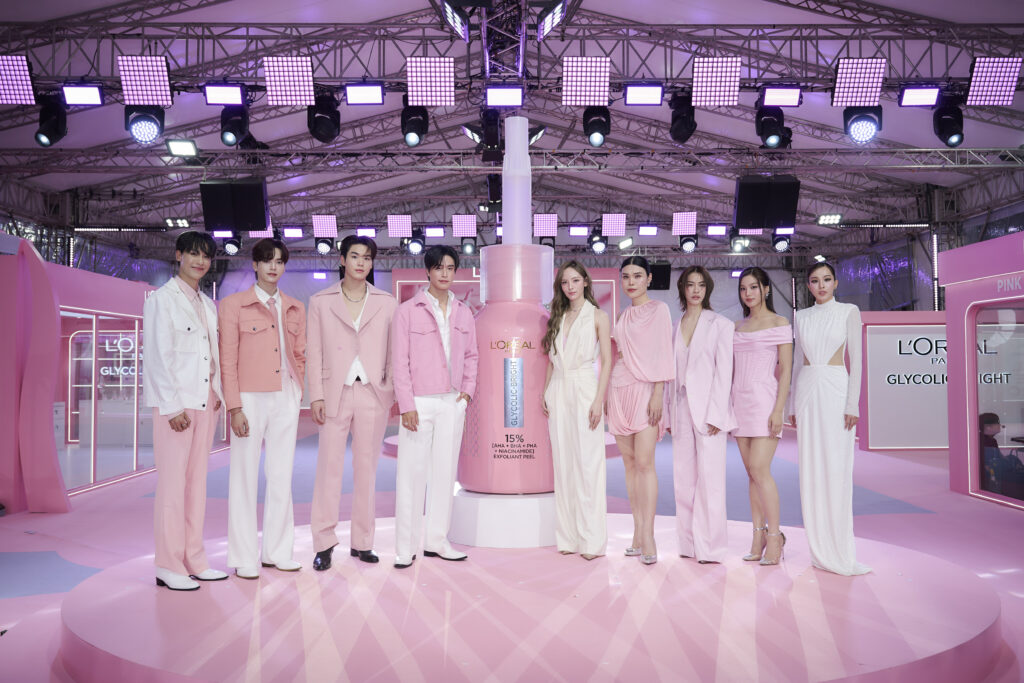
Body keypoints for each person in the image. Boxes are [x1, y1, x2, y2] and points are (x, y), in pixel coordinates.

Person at [142, 231, 227, 591]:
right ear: (179, 255)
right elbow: (157, 356)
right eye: (193, 254)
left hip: (205, 402)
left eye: (205, 256)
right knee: (173, 487)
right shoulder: (162, 300)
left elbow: (211, 353)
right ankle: (168, 563)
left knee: (196, 485)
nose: (200, 261)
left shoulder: (207, 303)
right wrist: (172, 406)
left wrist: (218, 392)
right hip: (176, 406)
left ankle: (195, 559)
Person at [218, 238, 306, 579]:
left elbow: (300, 353)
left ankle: (278, 551)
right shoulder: (233, 305)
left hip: (286, 396)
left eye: (279, 261)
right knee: (243, 476)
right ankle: (243, 556)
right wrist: (235, 406)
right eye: (267, 260)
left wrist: (298, 390)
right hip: (250, 398)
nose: (273, 267)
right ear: (254, 265)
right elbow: (227, 360)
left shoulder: (295, 307)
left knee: (282, 475)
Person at [308, 235, 397, 570]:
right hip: (335, 393)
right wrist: (316, 395)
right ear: (342, 259)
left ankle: (363, 542)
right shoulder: (320, 301)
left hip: (373, 393)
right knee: (328, 471)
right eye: (355, 256)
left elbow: (393, 350)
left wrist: (389, 389)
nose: (362, 263)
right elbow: (314, 351)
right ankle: (324, 543)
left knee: (367, 471)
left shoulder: (386, 302)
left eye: (367, 257)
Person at [390, 245, 478, 568]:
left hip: (452, 402)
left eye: (450, 268)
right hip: (419, 403)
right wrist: (406, 404)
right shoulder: (407, 311)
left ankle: (437, 541)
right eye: (439, 267)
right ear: (427, 271)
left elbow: (472, 356)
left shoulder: (464, 312)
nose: (444, 273)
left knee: (444, 474)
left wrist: (466, 393)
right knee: (411, 476)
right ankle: (405, 547)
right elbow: (399, 362)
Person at [789, 261, 870, 575]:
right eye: (814, 280)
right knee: (810, 469)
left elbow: (857, 361)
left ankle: (839, 550)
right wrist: (792, 404)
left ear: (835, 282)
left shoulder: (849, 311)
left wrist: (853, 404)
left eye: (826, 279)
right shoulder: (802, 316)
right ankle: (819, 549)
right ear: (808, 285)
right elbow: (798, 362)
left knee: (837, 469)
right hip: (808, 392)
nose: (820, 286)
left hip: (837, 392)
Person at [541, 261, 612, 560]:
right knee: (564, 465)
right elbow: (551, 359)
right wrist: (546, 391)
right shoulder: (557, 316)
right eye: (564, 282)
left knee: (588, 464)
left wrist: (598, 400)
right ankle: (568, 538)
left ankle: (592, 541)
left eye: (574, 280)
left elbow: (607, 361)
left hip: (585, 389)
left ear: (585, 281)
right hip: (558, 389)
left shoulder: (598, 316)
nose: (570, 287)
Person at [606, 256, 675, 565]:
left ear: (649, 278)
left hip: (647, 390)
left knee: (645, 464)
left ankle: (649, 535)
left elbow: (663, 351)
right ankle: (637, 533)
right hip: (619, 388)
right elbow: (614, 356)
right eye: (626, 276)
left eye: (637, 276)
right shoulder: (622, 315)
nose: (630, 282)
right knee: (630, 465)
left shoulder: (659, 310)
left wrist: (658, 392)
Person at [668, 266, 736, 564]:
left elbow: (725, 372)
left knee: (711, 481)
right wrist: (668, 414)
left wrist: (717, 415)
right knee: (683, 481)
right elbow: (671, 375)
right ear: (682, 289)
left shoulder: (721, 324)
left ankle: (711, 548)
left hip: (710, 412)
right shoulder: (675, 325)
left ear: (707, 289)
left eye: (701, 285)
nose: (695, 290)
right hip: (680, 409)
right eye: (690, 285)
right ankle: (687, 544)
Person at [732, 266, 792, 566]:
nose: (748, 293)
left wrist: (779, 409)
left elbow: (786, 371)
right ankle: (758, 536)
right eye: (743, 288)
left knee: (760, 468)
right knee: (751, 473)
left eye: (754, 287)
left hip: (765, 401)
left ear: (766, 289)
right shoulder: (736, 327)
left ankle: (775, 536)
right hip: (739, 402)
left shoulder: (780, 323)